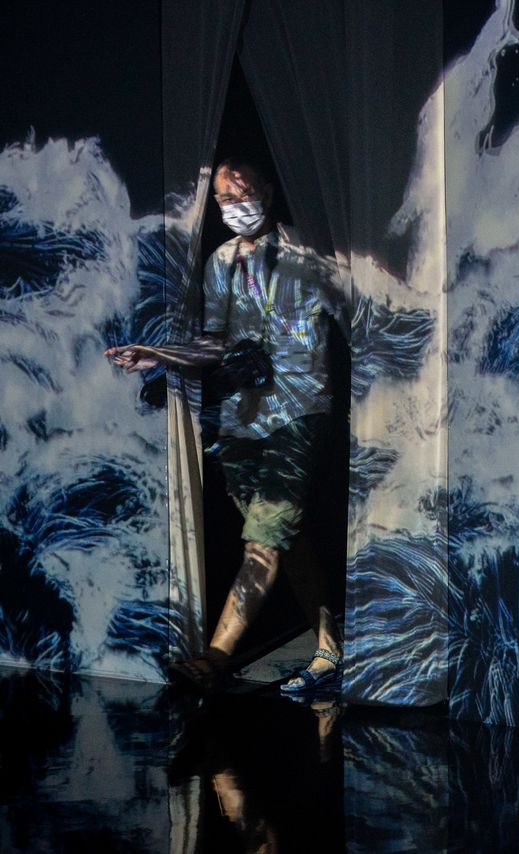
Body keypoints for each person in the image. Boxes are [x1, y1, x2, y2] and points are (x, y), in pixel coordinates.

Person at [106, 158, 343, 695]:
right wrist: (158, 354)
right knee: (284, 539)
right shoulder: (220, 261)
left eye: (244, 193)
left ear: (269, 191)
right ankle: (331, 647)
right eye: (225, 199)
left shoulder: (311, 252)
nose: (236, 206)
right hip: (242, 421)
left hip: (300, 415)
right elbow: (214, 344)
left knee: (263, 540)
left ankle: (214, 658)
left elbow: (358, 315)